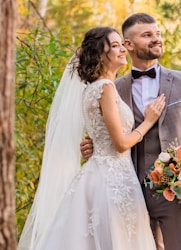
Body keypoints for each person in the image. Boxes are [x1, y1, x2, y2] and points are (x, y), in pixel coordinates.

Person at [18, 26, 166, 250]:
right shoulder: (105, 88)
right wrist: (148, 121)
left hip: (99, 175)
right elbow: (120, 144)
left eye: (121, 44)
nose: (122, 49)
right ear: (100, 54)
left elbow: (101, 135)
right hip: (113, 181)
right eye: (114, 46)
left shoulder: (91, 89)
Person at [81, 13, 181, 250]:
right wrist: (92, 145)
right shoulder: (113, 86)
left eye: (158, 34)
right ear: (128, 45)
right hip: (128, 193)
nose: (156, 39)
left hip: (175, 193)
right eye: (147, 35)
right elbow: (110, 132)